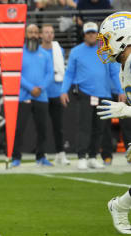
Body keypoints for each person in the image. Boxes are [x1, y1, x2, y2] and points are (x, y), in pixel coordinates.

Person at [61, 21, 122, 170]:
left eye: (94, 33)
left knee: (99, 128)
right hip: (85, 93)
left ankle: (93, 157)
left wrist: (120, 91)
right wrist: (63, 90)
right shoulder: (76, 51)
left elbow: (114, 73)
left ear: (97, 34)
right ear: (84, 35)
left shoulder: (105, 50)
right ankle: (82, 157)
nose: (91, 35)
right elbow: (69, 73)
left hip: (104, 94)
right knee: (84, 127)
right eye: (89, 33)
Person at [95, 11, 131, 235]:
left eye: (107, 40)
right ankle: (119, 206)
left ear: (122, 36)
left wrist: (127, 110)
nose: (104, 47)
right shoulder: (123, 68)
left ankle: (119, 206)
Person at [11, 24, 54, 167]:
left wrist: (40, 88)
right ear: (26, 34)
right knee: (19, 129)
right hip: (24, 97)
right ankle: (16, 158)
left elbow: (50, 74)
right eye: (31, 32)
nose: (33, 35)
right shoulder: (19, 53)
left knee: (42, 129)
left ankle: (41, 157)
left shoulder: (46, 54)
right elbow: (17, 74)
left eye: (36, 32)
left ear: (39, 35)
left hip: (41, 97)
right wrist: (31, 88)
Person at [40, 24, 70, 165]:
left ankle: (60, 154)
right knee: (42, 126)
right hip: (42, 93)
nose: (49, 35)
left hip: (56, 92)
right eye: (46, 32)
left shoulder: (60, 50)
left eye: (51, 32)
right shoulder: (37, 51)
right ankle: (42, 154)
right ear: (41, 35)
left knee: (58, 126)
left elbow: (63, 72)